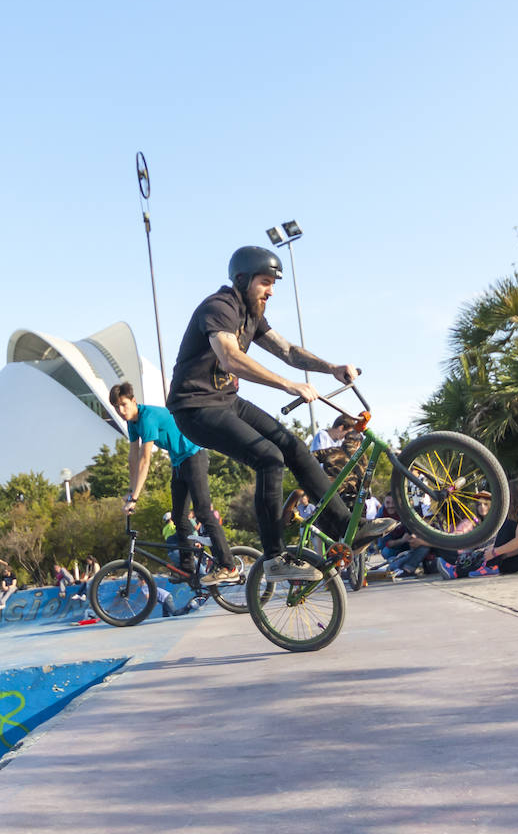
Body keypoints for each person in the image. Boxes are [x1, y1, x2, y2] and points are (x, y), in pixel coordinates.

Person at [166, 245, 396, 582]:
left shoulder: (252, 314)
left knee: (293, 446)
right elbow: (230, 358)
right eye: (264, 282)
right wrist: (288, 385)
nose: (271, 291)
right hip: (195, 407)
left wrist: (329, 367)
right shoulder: (219, 308)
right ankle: (274, 559)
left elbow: (287, 350)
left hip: (226, 401)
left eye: (274, 283)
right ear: (242, 279)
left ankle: (347, 525)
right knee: (269, 458)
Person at [110, 381, 236, 583]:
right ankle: (187, 568)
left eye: (124, 404)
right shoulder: (132, 423)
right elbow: (132, 458)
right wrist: (131, 490)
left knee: (203, 511)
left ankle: (228, 566)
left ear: (133, 401)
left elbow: (145, 460)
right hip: (178, 463)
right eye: (116, 407)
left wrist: (135, 498)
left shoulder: (147, 417)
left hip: (193, 456)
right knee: (178, 517)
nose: (121, 411)